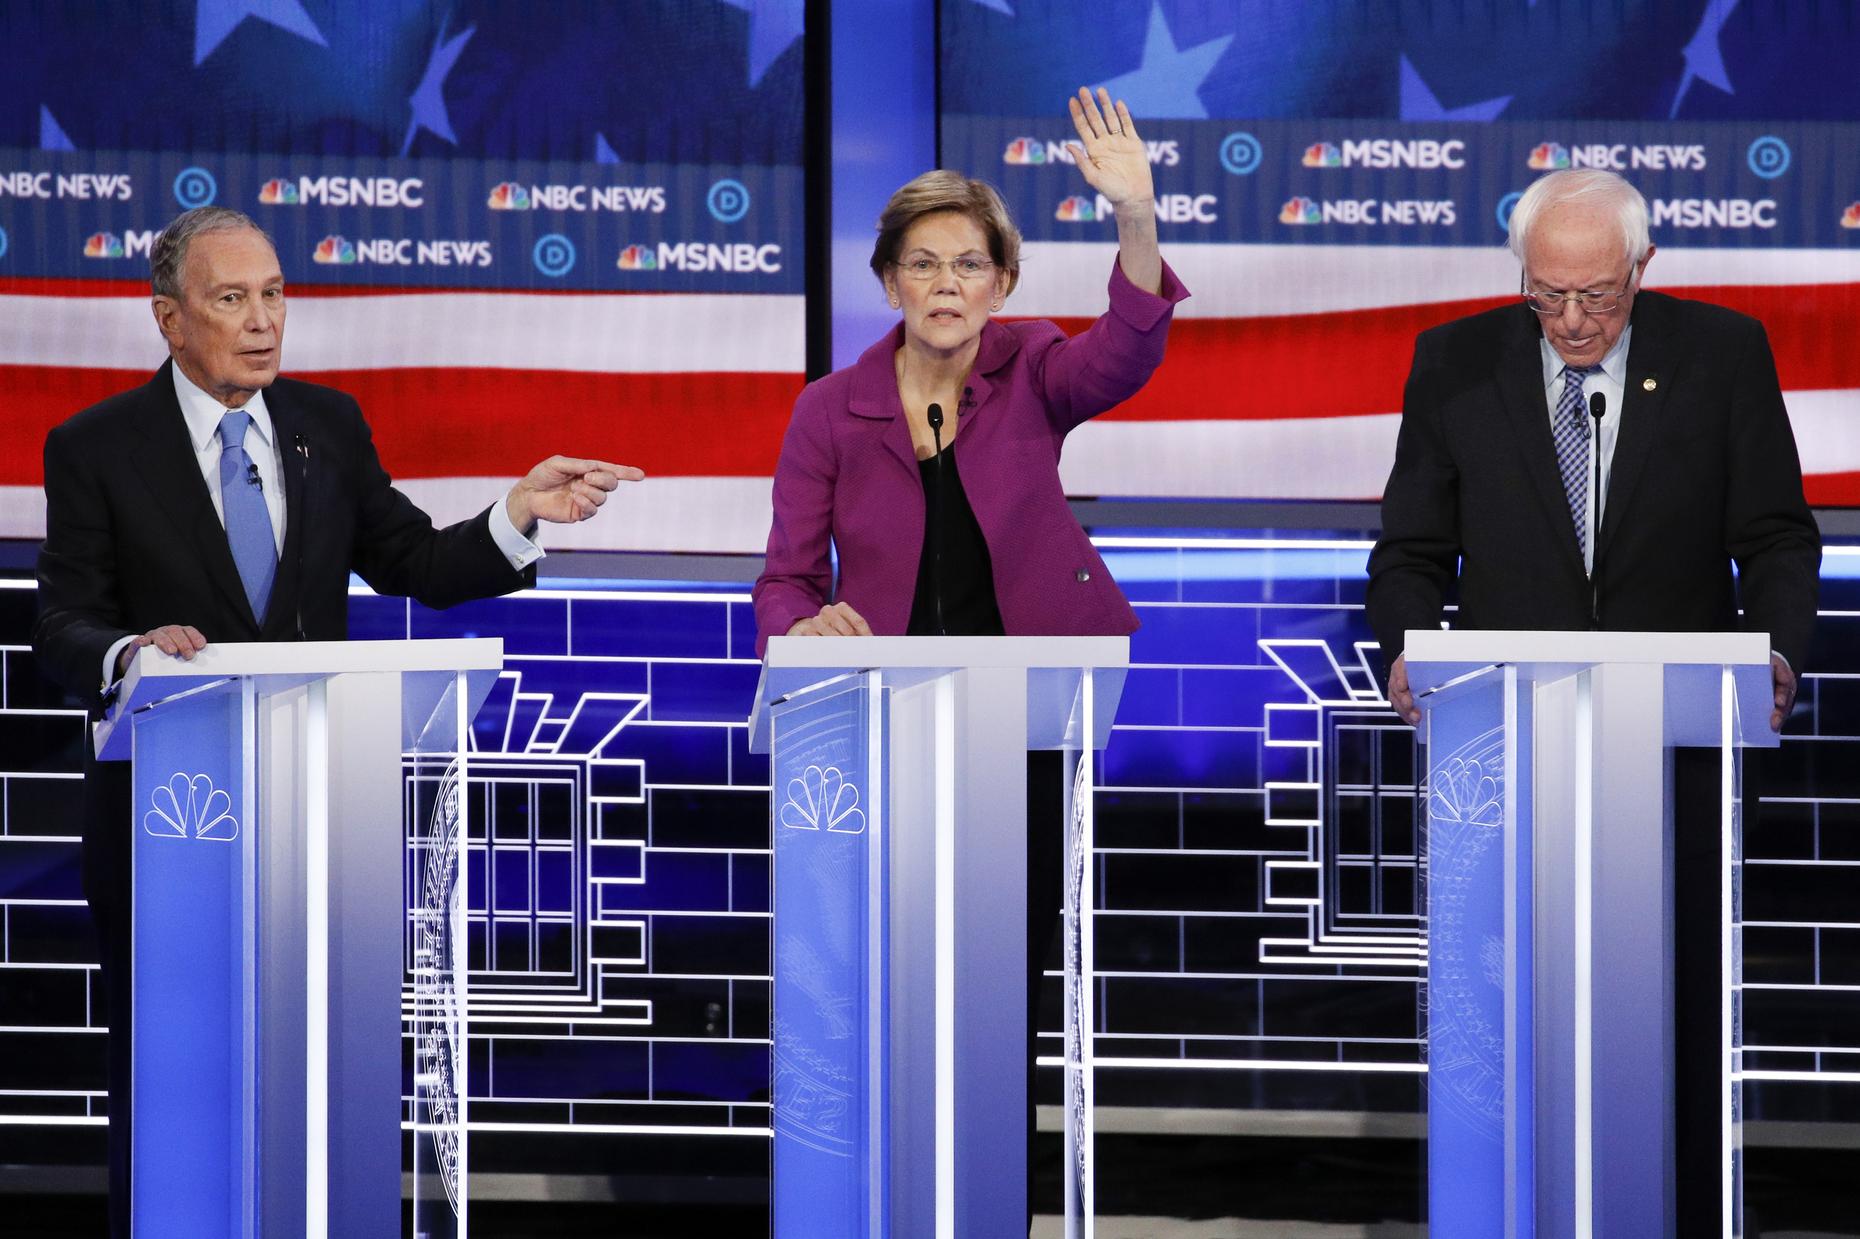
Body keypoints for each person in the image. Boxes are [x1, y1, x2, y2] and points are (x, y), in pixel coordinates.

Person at [32, 205, 643, 1237]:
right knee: (171, 1072)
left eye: (275, 295)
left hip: (319, 807)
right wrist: (131, 654)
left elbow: (417, 564)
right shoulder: (96, 446)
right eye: (232, 300)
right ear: (169, 320)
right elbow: (63, 619)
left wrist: (520, 515)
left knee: (316, 1058)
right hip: (166, 822)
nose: (264, 321)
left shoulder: (327, 425)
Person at [752, 87, 1187, 1230]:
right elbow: (787, 576)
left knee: (1005, 974)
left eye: (971, 266)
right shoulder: (829, 413)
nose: (948, 285)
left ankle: (989, 1192)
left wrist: (1136, 218)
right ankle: (873, 1188)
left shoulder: (1035, 371)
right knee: (877, 972)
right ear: (889, 280)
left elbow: (1127, 354)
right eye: (925, 264)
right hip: (878, 728)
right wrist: (801, 628)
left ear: (1003, 284)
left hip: (1025, 721)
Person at [1366, 168, 1820, 1231]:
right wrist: (1407, 647)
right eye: (1548, 295)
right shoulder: (1453, 361)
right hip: (1504, 749)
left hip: (1676, 747)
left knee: (1671, 1007)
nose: (1571, 321)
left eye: (1598, 297)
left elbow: (1776, 537)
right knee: (1505, 1007)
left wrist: (1780, 656)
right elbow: (1411, 552)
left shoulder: (1721, 354)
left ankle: (1678, 1210)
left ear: (1642, 270)